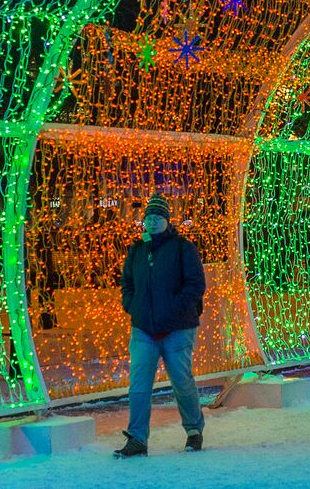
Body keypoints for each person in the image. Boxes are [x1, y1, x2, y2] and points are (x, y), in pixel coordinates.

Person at [115, 193, 207, 458]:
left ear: (167, 220)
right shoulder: (137, 250)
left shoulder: (182, 247)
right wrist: (132, 306)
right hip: (144, 328)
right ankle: (137, 439)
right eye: (148, 218)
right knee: (139, 385)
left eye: (158, 217)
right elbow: (127, 284)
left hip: (178, 329)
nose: (152, 222)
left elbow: (196, 285)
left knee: (181, 381)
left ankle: (194, 431)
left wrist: (172, 309)